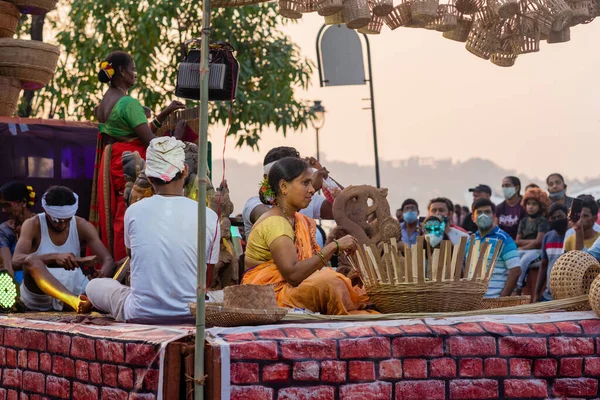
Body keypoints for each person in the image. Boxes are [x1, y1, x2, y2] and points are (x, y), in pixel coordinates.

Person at [86, 137, 221, 323]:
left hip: (140, 312)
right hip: (193, 313)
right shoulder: (210, 216)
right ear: (186, 171)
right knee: (222, 296)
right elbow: (206, 280)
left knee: (94, 286)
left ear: (149, 178)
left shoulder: (133, 211)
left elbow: (132, 257)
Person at [242, 157, 374, 315]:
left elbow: (345, 204)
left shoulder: (297, 220)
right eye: (305, 183)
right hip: (269, 297)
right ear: (283, 186)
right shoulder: (276, 223)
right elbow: (294, 275)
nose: (312, 189)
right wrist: (334, 246)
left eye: (311, 183)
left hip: (287, 290)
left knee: (337, 278)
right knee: (329, 282)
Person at [90, 50, 186, 264]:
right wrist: (176, 139)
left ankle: (115, 262)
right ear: (122, 71)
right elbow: (150, 142)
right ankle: (125, 264)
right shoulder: (129, 103)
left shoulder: (106, 101)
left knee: (118, 210)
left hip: (114, 160)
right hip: (129, 163)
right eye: (132, 69)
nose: (135, 73)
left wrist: (164, 113)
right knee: (127, 212)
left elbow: (130, 133)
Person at [12, 186, 114, 313]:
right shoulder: (33, 224)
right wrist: (54, 257)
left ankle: (79, 301)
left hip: (75, 288)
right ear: (45, 210)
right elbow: (15, 261)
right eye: (56, 220)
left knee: (124, 264)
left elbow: (108, 260)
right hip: (39, 296)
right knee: (31, 260)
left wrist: (100, 276)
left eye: (67, 220)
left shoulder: (82, 225)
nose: (62, 224)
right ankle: (73, 301)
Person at [242, 147, 333, 236]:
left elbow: (344, 209)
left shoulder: (309, 200)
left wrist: (324, 177)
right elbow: (274, 222)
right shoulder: (254, 204)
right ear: (267, 178)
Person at [467, 199, 521, 298]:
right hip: (473, 301)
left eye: (487, 212)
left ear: (494, 216)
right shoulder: (470, 241)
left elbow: (515, 270)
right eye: (479, 212)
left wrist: (502, 298)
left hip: (494, 300)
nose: (483, 215)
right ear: (473, 218)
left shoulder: (504, 239)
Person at [515, 188, 550, 292]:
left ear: (540, 206)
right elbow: (517, 240)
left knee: (524, 261)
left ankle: (518, 286)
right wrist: (530, 243)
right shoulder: (523, 221)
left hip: (537, 251)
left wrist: (523, 246)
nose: (530, 206)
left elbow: (539, 242)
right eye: (528, 204)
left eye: (534, 204)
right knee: (513, 259)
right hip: (523, 249)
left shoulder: (542, 221)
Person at [0, 182, 37, 280]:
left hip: (43, 281)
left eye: (7, 205)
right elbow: (7, 265)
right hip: (18, 284)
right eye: (2, 206)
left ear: (23, 202)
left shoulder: (42, 224)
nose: (3, 210)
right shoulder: (5, 230)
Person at [533, 204, 568, 302]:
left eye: (560, 217)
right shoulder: (547, 237)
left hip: (568, 297)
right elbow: (544, 265)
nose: (557, 220)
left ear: (566, 217)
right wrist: (536, 293)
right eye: (554, 218)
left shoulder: (573, 236)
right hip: (548, 296)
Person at [496, 176, 527, 240]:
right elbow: (496, 229)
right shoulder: (499, 208)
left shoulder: (524, 206)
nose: (504, 188)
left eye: (507, 185)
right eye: (503, 186)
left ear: (516, 188)